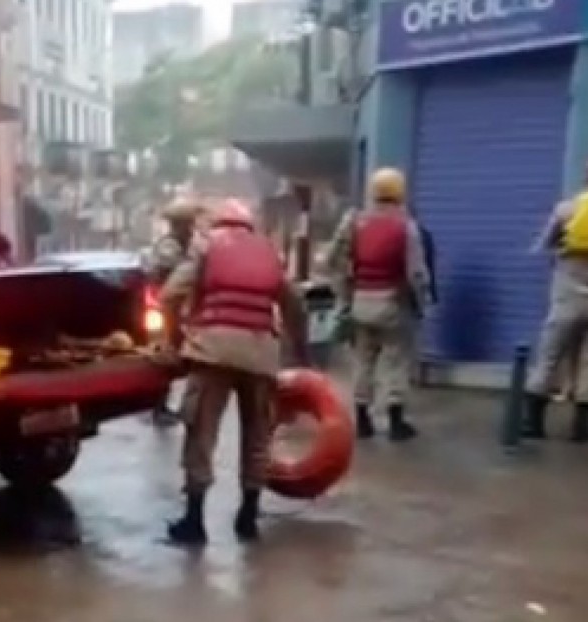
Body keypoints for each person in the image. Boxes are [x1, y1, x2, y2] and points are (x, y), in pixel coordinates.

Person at [158, 199, 308, 545]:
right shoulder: (269, 252)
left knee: (201, 434)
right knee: (257, 437)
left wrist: (176, 339)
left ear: (218, 223)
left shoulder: (206, 246)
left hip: (212, 352)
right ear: (248, 225)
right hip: (261, 355)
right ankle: (247, 518)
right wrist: (300, 351)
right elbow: (294, 304)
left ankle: (194, 522)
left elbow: (169, 296)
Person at [325, 167, 429, 441]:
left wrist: (344, 291)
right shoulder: (407, 227)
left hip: (361, 302)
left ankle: (362, 420)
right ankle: (396, 423)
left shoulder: (355, 222)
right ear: (400, 193)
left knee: (363, 361)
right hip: (393, 304)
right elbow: (416, 272)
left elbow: (331, 259)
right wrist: (422, 301)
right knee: (396, 360)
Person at [522, 159, 588, 439]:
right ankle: (581, 427)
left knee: (549, 355)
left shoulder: (567, 209)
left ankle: (533, 423)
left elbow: (542, 245)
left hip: (566, 297)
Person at [144, 196, 205, 426]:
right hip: (165, 310)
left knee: (176, 359)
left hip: (176, 310)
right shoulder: (169, 248)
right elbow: (173, 278)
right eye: (187, 224)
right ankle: (158, 406)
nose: (191, 229)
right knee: (167, 359)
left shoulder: (183, 245)